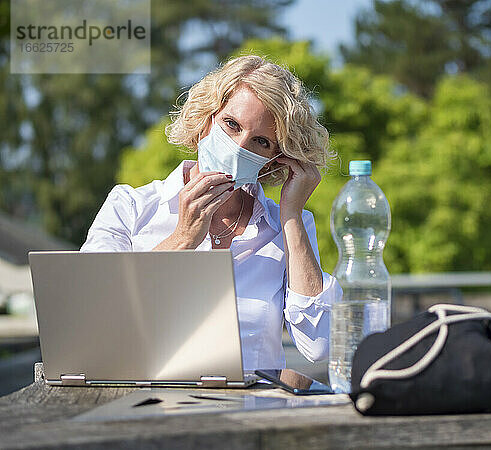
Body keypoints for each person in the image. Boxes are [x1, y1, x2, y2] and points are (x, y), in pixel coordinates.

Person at [80, 55, 342, 371]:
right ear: (207, 119)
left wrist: (291, 215)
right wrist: (183, 239)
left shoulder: (288, 226)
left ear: (275, 160)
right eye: (231, 124)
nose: (240, 146)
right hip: (147, 407)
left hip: (250, 413)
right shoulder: (130, 207)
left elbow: (320, 345)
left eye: (260, 141)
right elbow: (89, 322)